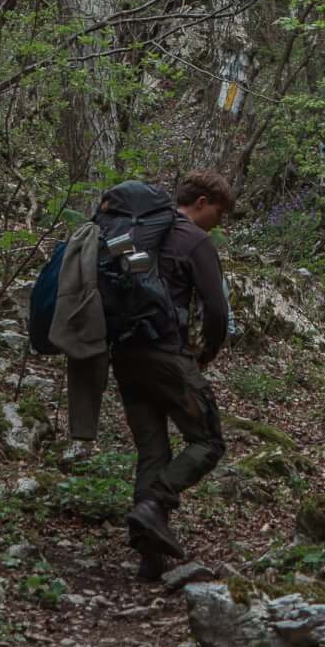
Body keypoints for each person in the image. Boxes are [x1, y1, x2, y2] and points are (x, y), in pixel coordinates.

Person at [62, 168, 234, 581]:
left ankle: (148, 557)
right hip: (166, 355)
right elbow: (216, 309)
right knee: (207, 441)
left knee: (152, 451)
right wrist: (207, 352)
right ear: (202, 204)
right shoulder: (194, 240)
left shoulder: (129, 236)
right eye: (220, 213)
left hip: (124, 356)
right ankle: (154, 504)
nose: (220, 223)